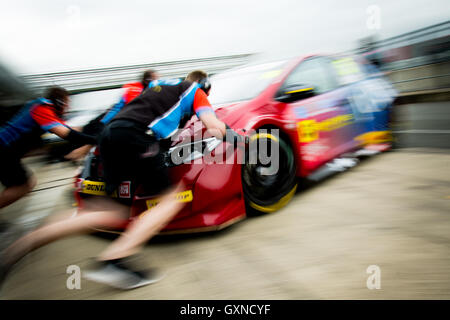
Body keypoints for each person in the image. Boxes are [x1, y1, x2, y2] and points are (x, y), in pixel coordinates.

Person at [0, 70, 244, 290]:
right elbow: (213, 127)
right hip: (136, 138)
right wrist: (238, 140)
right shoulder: (196, 92)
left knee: (111, 210)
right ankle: (114, 259)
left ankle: (24, 243)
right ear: (205, 86)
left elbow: (130, 112)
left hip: (111, 138)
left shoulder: (159, 87)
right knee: (170, 200)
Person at [0, 86, 96, 210]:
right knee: (23, 186)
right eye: (67, 103)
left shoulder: (40, 106)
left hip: (6, 151)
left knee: (26, 184)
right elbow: (66, 134)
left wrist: (93, 130)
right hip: (4, 150)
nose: (68, 108)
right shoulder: (43, 108)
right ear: (60, 101)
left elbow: (72, 130)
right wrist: (97, 140)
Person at [65, 69, 160, 161]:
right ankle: (74, 153)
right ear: (148, 81)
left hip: (106, 117)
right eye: (156, 79)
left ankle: (70, 143)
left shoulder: (140, 89)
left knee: (87, 131)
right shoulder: (136, 91)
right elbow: (133, 111)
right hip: (110, 120)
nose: (158, 82)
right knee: (94, 140)